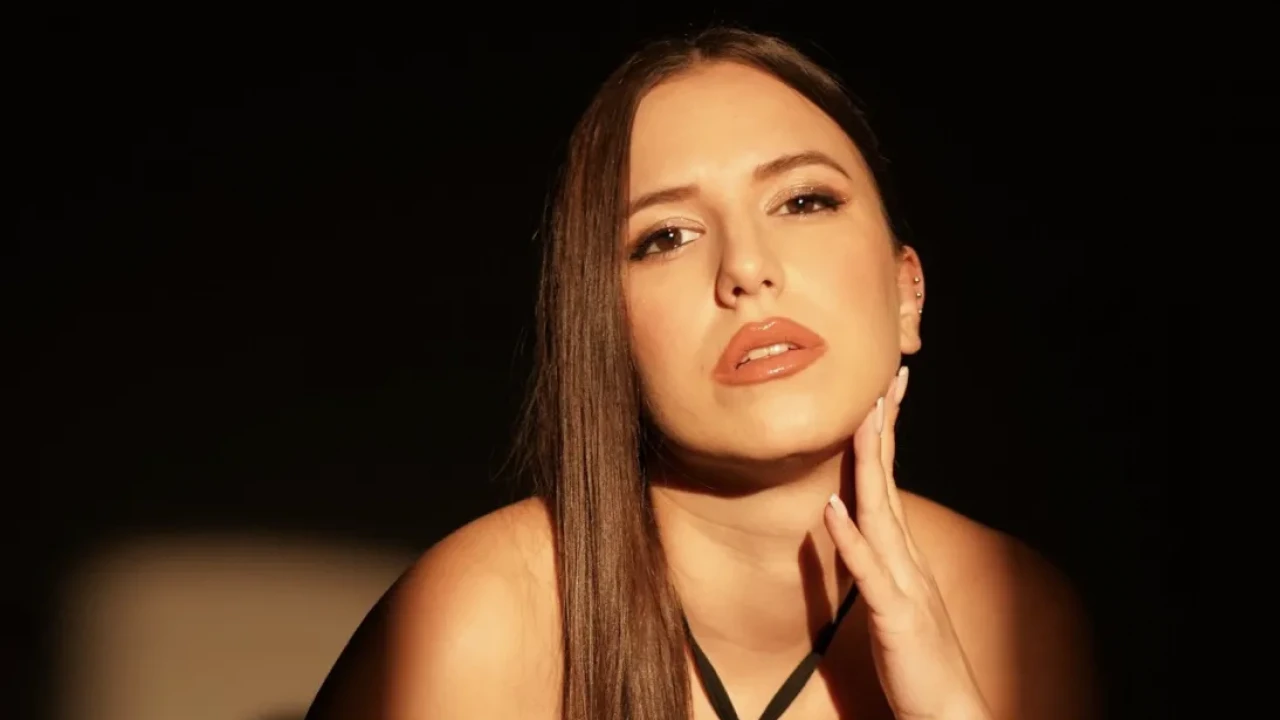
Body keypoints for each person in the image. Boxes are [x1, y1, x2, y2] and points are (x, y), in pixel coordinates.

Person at [306, 27, 1098, 720]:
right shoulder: (481, 616)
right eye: (667, 237)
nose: (746, 268)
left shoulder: (1013, 609)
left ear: (905, 291)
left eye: (803, 201)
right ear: (604, 333)